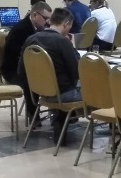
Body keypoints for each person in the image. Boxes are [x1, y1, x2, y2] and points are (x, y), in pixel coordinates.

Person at [18, 8, 81, 143]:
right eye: (70, 26)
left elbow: (21, 70)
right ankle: (114, 130)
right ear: (66, 24)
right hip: (63, 94)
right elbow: (77, 71)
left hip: (40, 94)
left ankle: (61, 120)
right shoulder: (63, 41)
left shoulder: (31, 39)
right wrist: (72, 47)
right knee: (101, 92)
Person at [2, 1, 52, 121]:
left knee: (56, 77)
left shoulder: (37, 28)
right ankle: (34, 116)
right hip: (13, 70)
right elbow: (11, 51)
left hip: (28, 67)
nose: (47, 22)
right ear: (35, 15)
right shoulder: (21, 29)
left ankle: (60, 114)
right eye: (45, 18)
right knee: (32, 81)